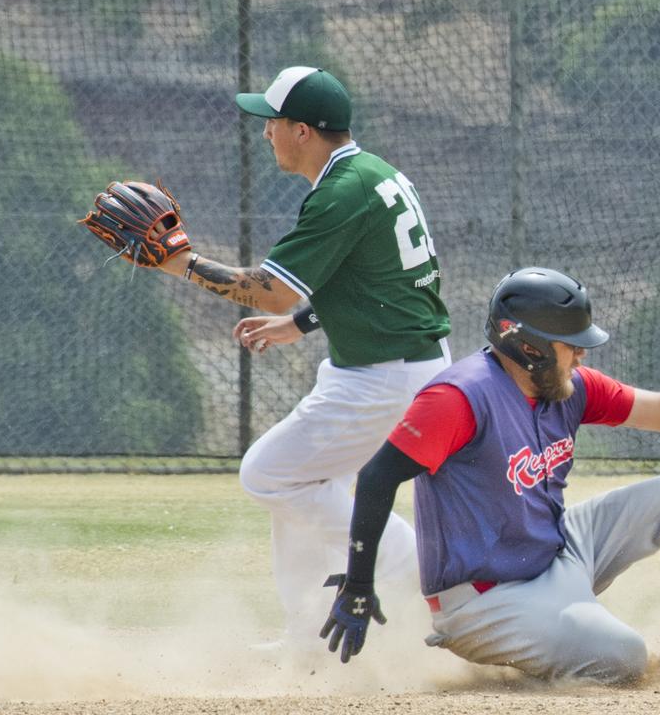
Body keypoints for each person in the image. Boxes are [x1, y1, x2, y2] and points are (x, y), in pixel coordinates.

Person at [315, 267, 660, 683]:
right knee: (626, 658)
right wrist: (358, 583)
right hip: (486, 600)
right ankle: (556, 663)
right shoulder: (459, 398)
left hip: (555, 555)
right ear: (528, 347)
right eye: (570, 347)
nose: (580, 359)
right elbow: (379, 475)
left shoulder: (566, 387)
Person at [155, 66, 451, 650]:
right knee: (301, 489)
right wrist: (304, 322)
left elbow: (270, 287)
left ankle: (412, 564)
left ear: (303, 131)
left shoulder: (342, 192)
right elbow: (376, 277)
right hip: (400, 363)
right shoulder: (374, 174)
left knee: (266, 473)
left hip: (382, 376)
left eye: (273, 122)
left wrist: (181, 264)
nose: (265, 133)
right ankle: (309, 633)